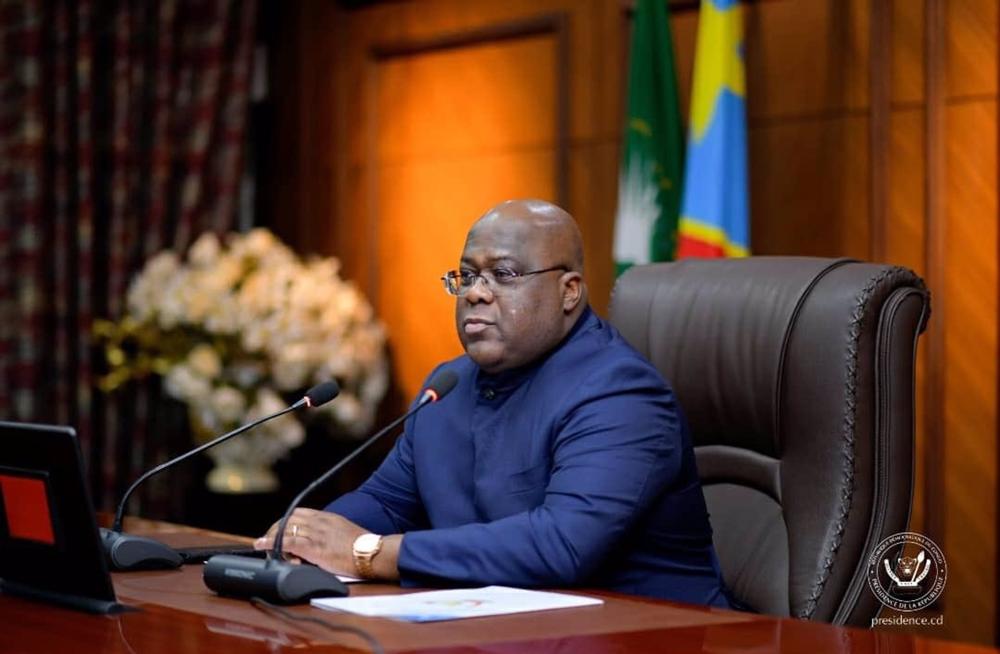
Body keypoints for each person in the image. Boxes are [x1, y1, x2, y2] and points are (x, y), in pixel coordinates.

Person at [255, 199, 731, 607]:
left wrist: (369, 553)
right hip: (509, 626)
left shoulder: (620, 393)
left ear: (569, 292)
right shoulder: (448, 385)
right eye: (466, 276)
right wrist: (306, 539)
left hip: (653, 634)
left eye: (503, 274)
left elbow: (561, 545)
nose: (476, 293)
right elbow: (386, 502)